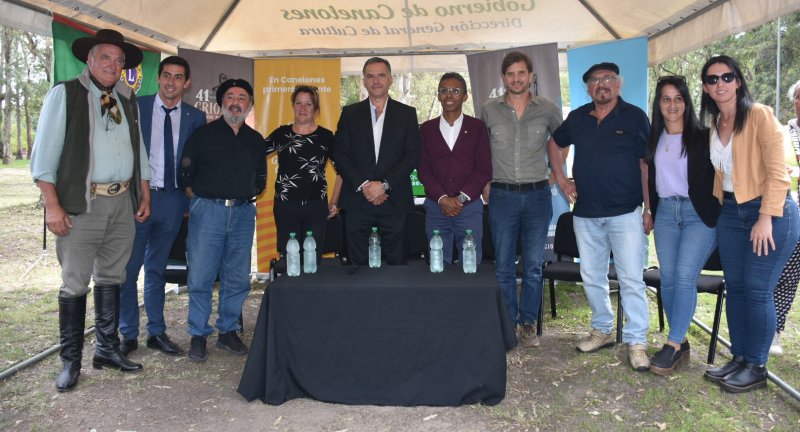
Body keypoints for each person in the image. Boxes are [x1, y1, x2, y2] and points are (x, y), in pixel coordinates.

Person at [30, 29, 150, 391]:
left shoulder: (127, 98)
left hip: (122, 202)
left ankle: (107, 350)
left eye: (119, 60)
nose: (113, 65)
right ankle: (71, 362)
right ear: (90, 59)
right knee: (75, 282)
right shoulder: (65, 94)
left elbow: (139, 151)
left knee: (113, 276)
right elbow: (43, 156)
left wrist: (144, 194)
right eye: (106, 58)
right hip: (83, 205)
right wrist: (52, 206)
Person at [700, 55, 799, 393]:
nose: (720, 84)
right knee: (737, 290)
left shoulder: (759, 115)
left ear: (738, 81)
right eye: (713, 79)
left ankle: (756, 366)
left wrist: (766, 218)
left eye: (727, 77)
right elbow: (722, 174)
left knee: (757, 291)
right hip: (730, 214)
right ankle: (739, 357)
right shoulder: (715, 124)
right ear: (706, 87)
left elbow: (776, 171)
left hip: (768, 213)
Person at [548, 62, 652, 371]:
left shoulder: (635, 117)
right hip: (586, 213)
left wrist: (649, 206)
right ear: (588, 88)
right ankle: (603, 330)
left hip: (625, 213)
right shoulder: (578, 117)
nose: (601, 84)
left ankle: (636, 341)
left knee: (631, 278)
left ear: (618, 84)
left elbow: (646, 164)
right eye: (594, 80)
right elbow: (554, 143)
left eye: (607, 78)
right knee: (592, 276)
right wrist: (562, 178)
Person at [119, 56, 206, 358]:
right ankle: (128, 333)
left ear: (187, 83)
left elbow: (195, 162)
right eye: (166, 75)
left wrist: (188, 198)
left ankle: (156, 331)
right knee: (128, 270)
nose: (171, 82)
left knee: (156, 269)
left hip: (172, 201)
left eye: (178, 77)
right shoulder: (136, 106)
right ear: (159, 78)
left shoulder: (195, 117)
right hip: (138, 199)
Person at [178, 78, 266, 362]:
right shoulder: (204, 135)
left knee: (237, 277)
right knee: (201, 275)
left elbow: (261, 178)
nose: (236, 102)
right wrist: (203, 200)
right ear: (221, 102)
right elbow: (185, 173)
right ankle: (198, 334)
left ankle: (227, 331)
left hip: (242, 213)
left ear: (249, 104)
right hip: (208, 212)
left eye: (242, 97)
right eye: (230, 96)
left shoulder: (255, 139)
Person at [481, 52, 562, 348]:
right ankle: (506, 324)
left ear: (530, 76)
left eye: (521, 73)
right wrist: (485, 181)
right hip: (502, 196)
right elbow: (480, 151)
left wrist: (555, 176)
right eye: (510, 74)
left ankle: (528, 323)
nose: (516, 79)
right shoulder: (489, 109)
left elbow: (561, 142)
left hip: (537, 196)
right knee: (502, 265)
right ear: (504, 78)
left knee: (532, 265)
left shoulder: (548, 109)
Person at [645, 76, 720, 376]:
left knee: (686, 277)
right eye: (666, 98)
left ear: (687, 103)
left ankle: (673, 344)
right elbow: (648, 177)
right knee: (670, 278)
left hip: (697, 215)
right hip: (665, 213)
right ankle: (682, 342)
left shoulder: (704, 137)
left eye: (678, 98)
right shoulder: (654, 138)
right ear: (658, 104)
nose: (672, 104)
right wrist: (648, 209)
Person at [334, 57, 420, 267]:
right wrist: (365, 185)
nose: (376, 81)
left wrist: (383, 185)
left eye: (381, 75)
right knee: (357, 267)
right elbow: (340, 154)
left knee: (396, 267)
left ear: (390, 79)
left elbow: (412, 155)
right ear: (364, 81)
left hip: (394, 201)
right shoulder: (349, 113)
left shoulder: (407, 114)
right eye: (370, 76)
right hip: (357, 202)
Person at [417, 72, 491, 267]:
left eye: (455, 91)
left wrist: (460, 199)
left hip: (469, 207)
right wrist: (442, 198)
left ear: (465, 96)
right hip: (435, 207)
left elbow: (484, 168)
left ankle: (470, 298)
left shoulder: (477, 127)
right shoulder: (426, 129)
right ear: (438, 95)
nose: (449, 95)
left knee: (471, 264)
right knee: (437, 265)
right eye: (444, 91)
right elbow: (423, 169)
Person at [265, 85, 341, 257]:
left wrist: (335, 202)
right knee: (289, 258)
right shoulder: (281, 134)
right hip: (285, 206)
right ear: (293, 105)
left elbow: (342, 171)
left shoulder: (326, 137)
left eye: (308, 104)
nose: (303, 108)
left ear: (315, 108)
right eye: (298, 103)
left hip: (316, 207)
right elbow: (254, 154)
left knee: (312, 258)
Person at [769, 79, 800, 356]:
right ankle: (774, 332)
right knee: (785, 277)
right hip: (789, 214)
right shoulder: (781, 134)